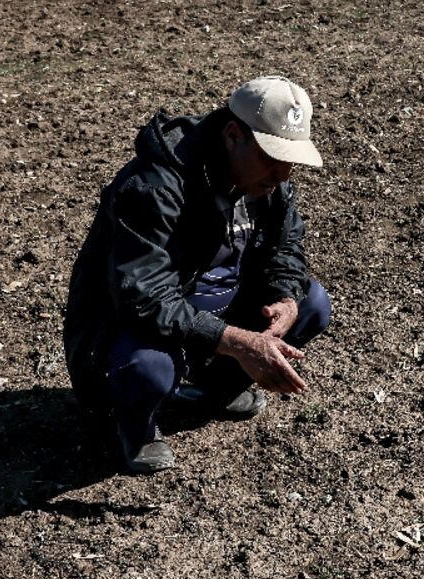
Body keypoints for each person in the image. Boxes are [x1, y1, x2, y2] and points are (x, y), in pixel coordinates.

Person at [63, 76, 331, 473]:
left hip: (211, 317)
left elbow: (285, 247)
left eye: (290, 159)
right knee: (147, 370)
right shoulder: (154, 188)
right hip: (130, 331)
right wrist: (238, 342)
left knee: (312, 303)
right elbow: (144, 297)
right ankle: (133, 424)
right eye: (272, 156)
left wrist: (286, 297)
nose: (283, 173)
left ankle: (217, 388)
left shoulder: (266, 184)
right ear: (232, 136)